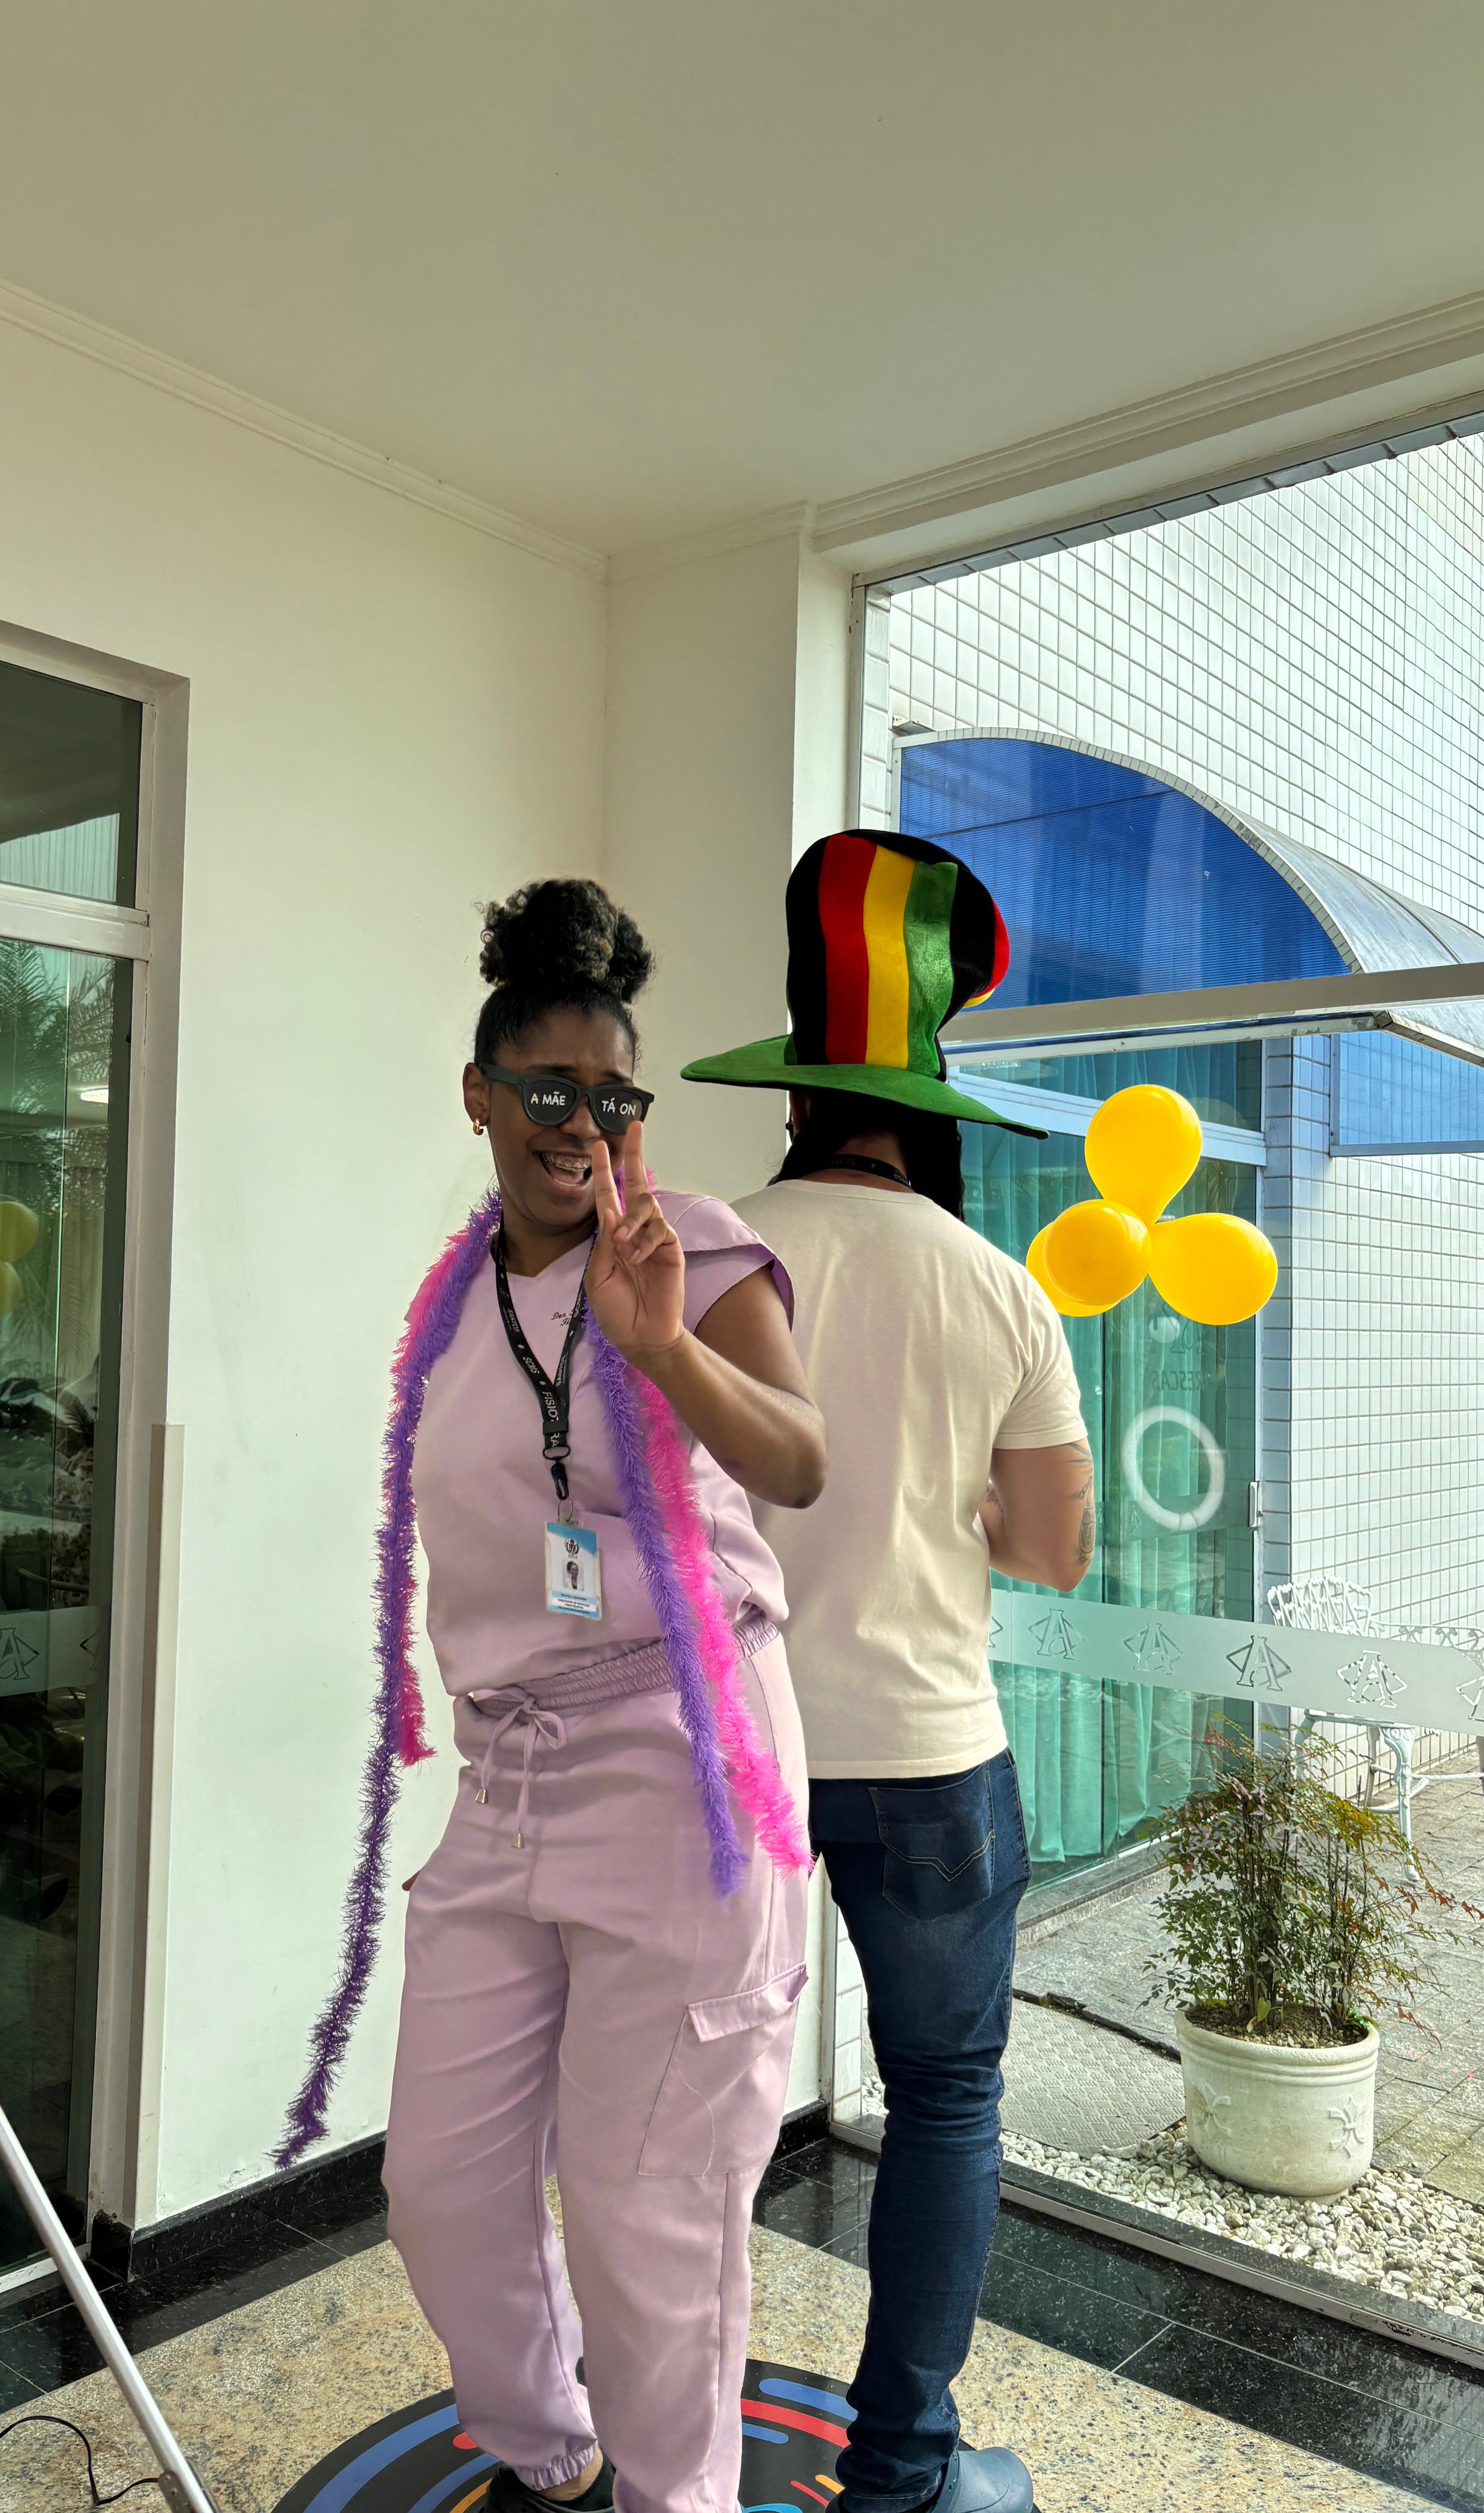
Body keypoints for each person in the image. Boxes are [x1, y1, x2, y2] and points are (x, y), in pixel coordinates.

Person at [281, 878, 826, 2513]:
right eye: (549, 1092)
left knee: (650, 2219)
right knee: (442, 2187)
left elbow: (801, 1459)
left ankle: (674, 2498)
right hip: (509, 1782)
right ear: (481, 1095)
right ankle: (550, 2453)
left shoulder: (692, 1251)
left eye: (615, 1098)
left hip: (685, 1775)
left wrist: (665, 1349)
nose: (584, 1126)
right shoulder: (452, 1306)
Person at [686, 832, 1093, 2513]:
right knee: (942, 2100)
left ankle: (662, 2431)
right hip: (929, 1759)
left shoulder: (705, 1254)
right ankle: (906, 2470)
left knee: (683, 2097)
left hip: (727, 1750)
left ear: (796, 1094)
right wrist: (955, 1502)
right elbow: (1053, 1550)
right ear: (929, 1113)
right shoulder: (999, 1290)